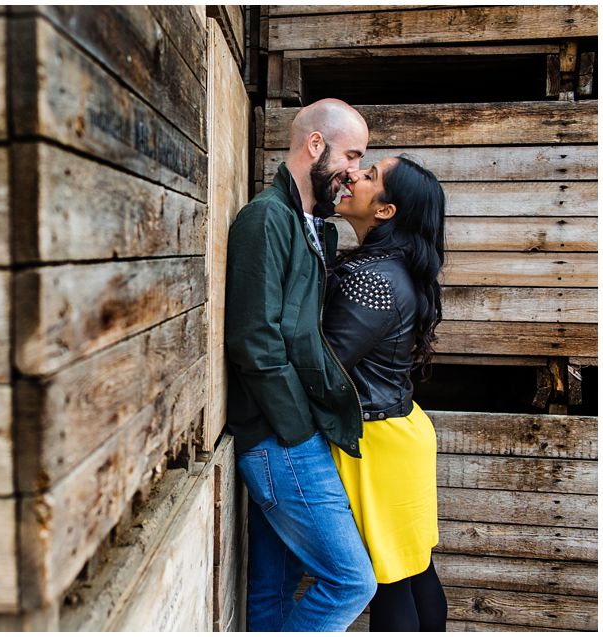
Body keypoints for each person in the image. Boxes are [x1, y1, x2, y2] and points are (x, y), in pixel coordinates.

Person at [225, 98, 376, 631]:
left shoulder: (312, 226)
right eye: (351, 155)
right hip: (280, 438)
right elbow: (254, 340)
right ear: (316, 145)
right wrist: (300, 430)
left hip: (288, 434)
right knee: (352, 582)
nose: (355, 172)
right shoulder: (266, 219)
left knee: (274, 588)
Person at [325, 155, 448, 631]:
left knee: (391, 580)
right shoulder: (391, 266)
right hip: (401, 432)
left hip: (377, 442)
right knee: (414, 571)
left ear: (385, 211)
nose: (354, 174)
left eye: (370, 175)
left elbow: (327, 364)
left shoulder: (373, 277)